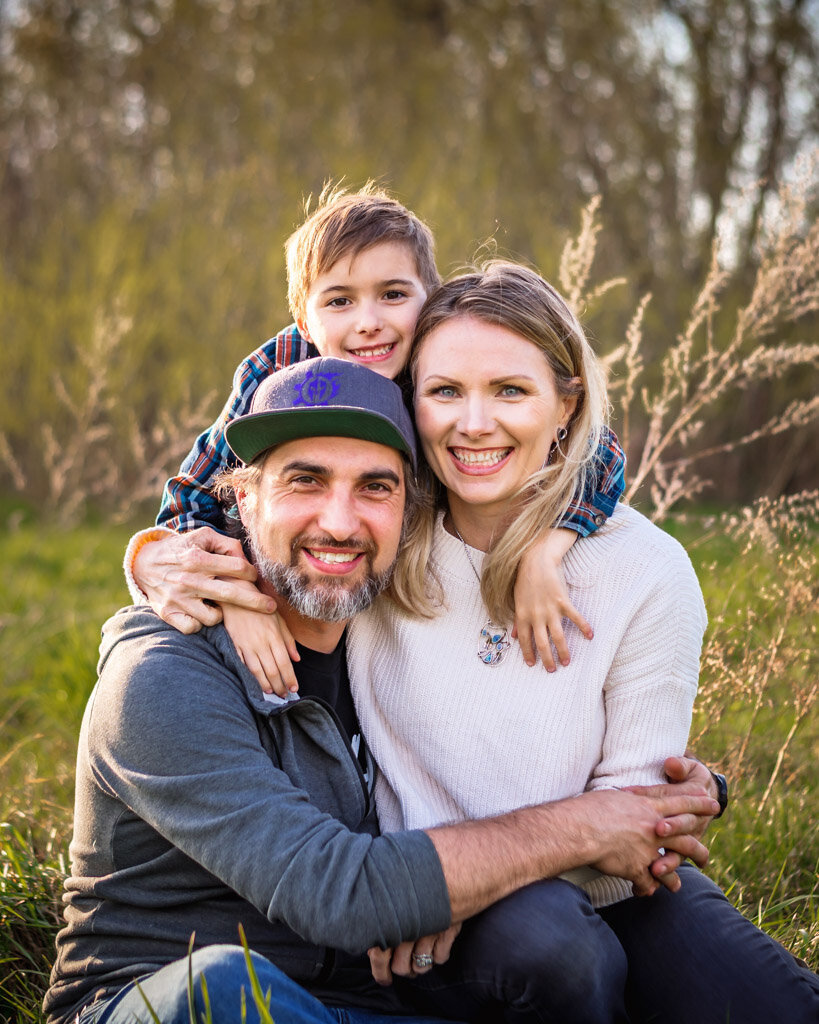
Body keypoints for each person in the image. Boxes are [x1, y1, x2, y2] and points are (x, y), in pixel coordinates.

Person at [43, 358, 717, 1024]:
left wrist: (688, 791)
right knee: (222, 988)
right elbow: (339, 893)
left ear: (410, 510)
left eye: (375, 487)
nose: (339, 523)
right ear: (243, 499)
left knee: (563, 960)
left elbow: (568, 432)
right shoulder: (164, 673)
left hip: (370, 1000)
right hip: (157, 1000)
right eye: (304, 481)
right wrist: (590, 825)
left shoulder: (391, 635)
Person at [344, 263, 819, 1023]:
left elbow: (633, 827)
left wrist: (478, 878)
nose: (473, 423)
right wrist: (157, 557)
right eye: (444, 392)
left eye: (509, 391)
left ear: (565, 404)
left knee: (772, 1005)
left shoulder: (645, 568)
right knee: (561, 957)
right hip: (424, 914)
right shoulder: (377, 543)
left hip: (607, 892)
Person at [128, 182, 627, 686]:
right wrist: (238, 599)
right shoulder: (277, 372)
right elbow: (190, 502)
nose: (369, 323)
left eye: (392, 295)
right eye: (339, 301)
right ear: (304, 319)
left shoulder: (443, 360)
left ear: (427, 299)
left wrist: (545, 550)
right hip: (293, 584)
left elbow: (595, 452)